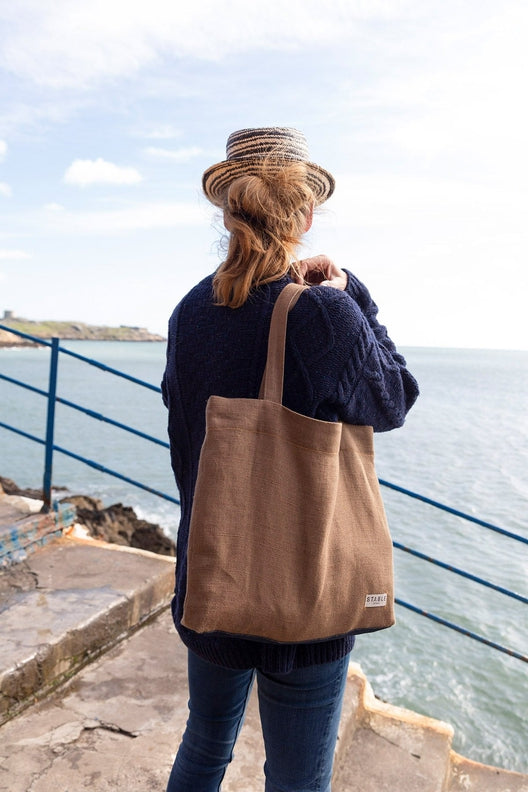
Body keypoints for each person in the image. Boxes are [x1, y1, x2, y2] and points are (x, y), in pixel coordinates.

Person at [161, 127, 419, 792]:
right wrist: (353, 295)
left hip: (211, 581)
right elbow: (394, 399)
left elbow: (184, 438)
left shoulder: (190, 312)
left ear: (227, 210)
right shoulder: (323, 314)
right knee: (297, 778)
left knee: (204, 745)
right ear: (305, 215)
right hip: (302, 601)